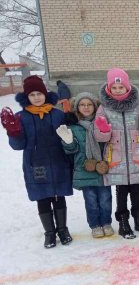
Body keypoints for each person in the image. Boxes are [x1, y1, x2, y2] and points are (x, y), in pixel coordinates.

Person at [1, 75, 73, 248]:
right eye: (32, 94)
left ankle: (62, 229)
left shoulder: (57, 115)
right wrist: (14, 132)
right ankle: (49, 233)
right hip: (36, 164)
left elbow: (68, 137)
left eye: (39, 93)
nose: (37, 97)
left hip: (58, 162)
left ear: (45, 94)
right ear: (27, 97)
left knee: (59, 196)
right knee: (42, 197)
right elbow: (18, 146)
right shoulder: (21, 117)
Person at [94, 68, 139, 239]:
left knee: (136, 190)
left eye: (120, 87)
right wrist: (103, 130)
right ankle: (123, 222)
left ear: (127, 87)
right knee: (121, 191)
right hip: (116, 159)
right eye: (114, 88)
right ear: (108, 89)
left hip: (136, 157)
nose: (117, 90)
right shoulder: (103, 109)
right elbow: (100, 137)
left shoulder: (138, 108)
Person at [57, 92, 114, 238]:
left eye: (89, 104)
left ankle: (106, 222)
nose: (86, 107)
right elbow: (72, 150)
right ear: (77, 108)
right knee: (91, 201)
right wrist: (68, 141)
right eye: (82, 105)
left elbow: (108, 144)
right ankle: (95, 225)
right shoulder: (74, 127)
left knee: (105, 199)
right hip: (84, 169)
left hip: (102, 169)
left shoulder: (101, 123)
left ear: (95, 107)